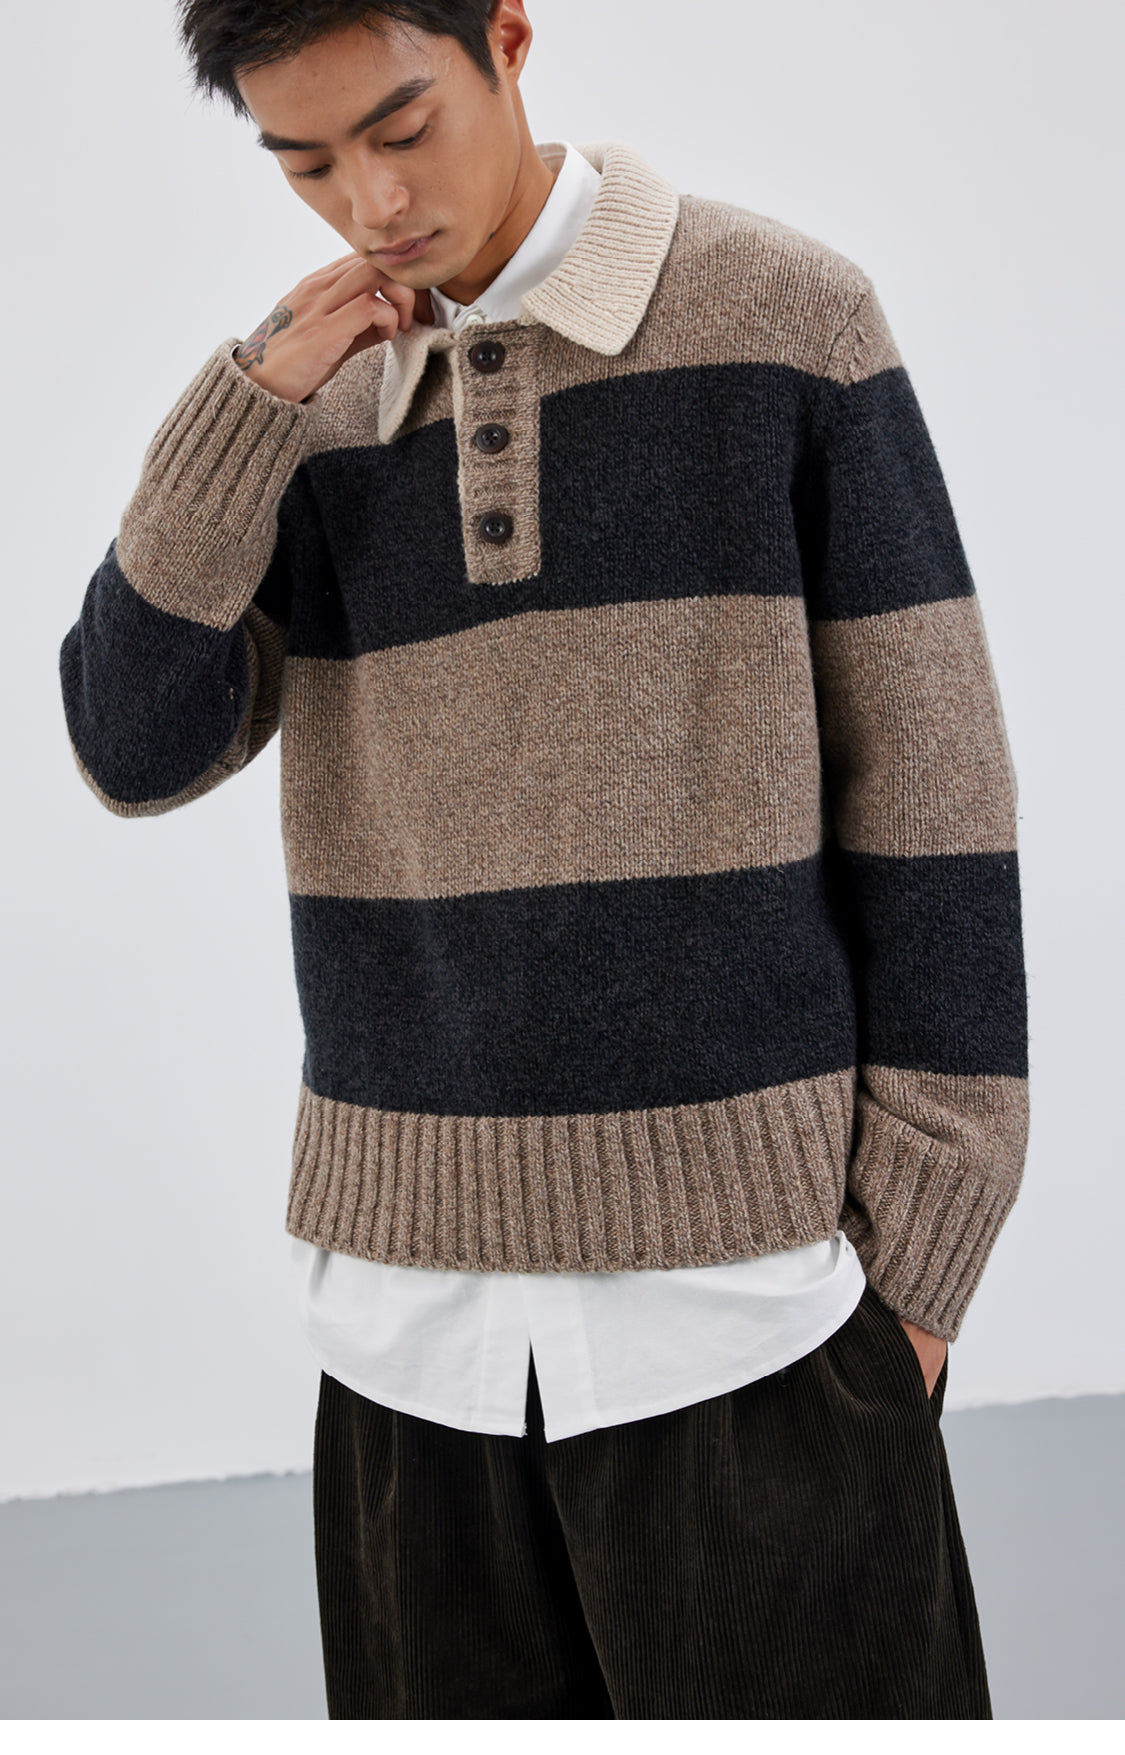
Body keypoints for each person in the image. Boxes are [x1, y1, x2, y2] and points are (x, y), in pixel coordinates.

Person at [58, 0, 1029, 1721]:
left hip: (750, 1308)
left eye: (400, 128)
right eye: (304, 162)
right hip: (405, 1336)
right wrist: (244, 411)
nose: (368, 203)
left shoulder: (783, 317)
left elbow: (934, 791)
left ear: (507, 35)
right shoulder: (307, 405)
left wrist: (920, 1268)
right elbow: (129, 749)